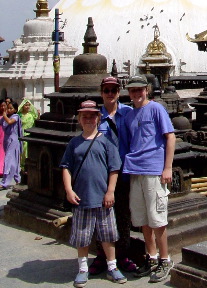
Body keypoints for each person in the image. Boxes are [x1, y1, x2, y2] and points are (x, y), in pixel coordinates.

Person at [60, 100, 127, 287]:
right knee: (82, 237)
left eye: (92, 116)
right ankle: (82, 269)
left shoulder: (105, 142)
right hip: (82, 198)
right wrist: (69, 190)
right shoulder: (74, 143)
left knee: (108, 235)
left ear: (98, 118)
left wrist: (110, 191)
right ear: (80, 119)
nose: (88, 119)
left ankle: (112, 266)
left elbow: (114, 168)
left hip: (103, 198)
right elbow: (66, 168)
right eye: (85, 116)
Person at [123, 74, 176, 283]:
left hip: (154, 170)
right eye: (132, 90)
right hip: (135, 170)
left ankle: (165, 259)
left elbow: (170, 136)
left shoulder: (156, 109)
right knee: (143, 219)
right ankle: (151, 257)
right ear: (129, 92)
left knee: (158, 219)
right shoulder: (129, 115)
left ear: (147, 90)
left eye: (140, 89)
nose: (136, 93)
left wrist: (168, 167)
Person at [88, 76, 136, 276]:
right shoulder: (95, 117)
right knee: (102, 217)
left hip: (125, 173)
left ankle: (123, 254)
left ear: (119, 92)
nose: (110, 94)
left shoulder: (129, 113)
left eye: (113, 90)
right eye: (106, 90)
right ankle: (102, 255)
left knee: (123, 215)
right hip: (102, 174)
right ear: (101, 93)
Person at [0, 101, 22, 190]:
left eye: (11, 108)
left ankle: (4, 182)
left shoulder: (15, 117)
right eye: (8, 108)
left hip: (13, 140)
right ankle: (18, 179)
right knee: (14, 161)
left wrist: (4, 114)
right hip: (6, 140)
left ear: (15, 109)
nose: (9, 110)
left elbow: (9, 122)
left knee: (8, 160)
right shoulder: (4, 118)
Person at [18, 98, 37, 172]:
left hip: (30, 135)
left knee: (29, 152)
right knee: (23, 152)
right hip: (22, 135)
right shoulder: (19, 116)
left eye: (29, 105)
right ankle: (23, 167)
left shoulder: (32, 115)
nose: (27, 107)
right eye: (26, 105)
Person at [0, 100, 6, 177]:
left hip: (5, 135)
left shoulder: (9, 115)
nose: (3, 107)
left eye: (4, 105)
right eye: (1, 106)